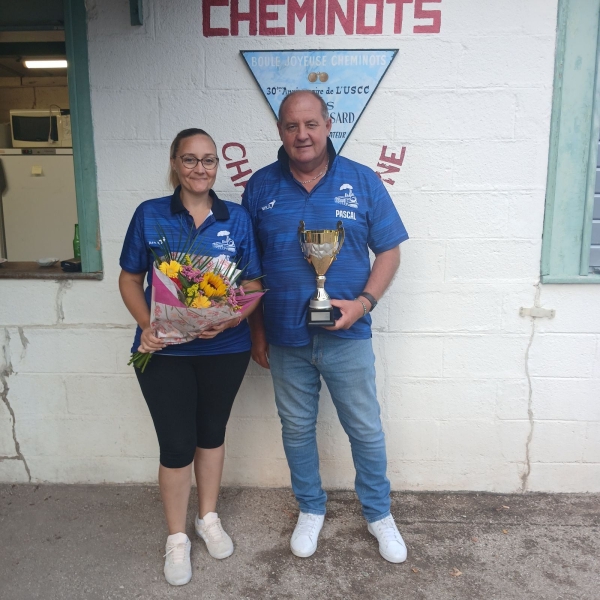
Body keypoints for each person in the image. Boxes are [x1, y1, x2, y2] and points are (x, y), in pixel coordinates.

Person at [242, 91, 409, 563]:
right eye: (292, 126)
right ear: (280, 131)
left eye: (311, 124)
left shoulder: (362, 180)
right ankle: (311, 509)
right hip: (284, 338)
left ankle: (379, 514)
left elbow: (390, 251)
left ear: (328, 123)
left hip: (348, 336)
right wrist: (256, 332)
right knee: (295, 429)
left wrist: (363, 303)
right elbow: (249, 268)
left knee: (365, 429)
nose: (303, 135)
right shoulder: (259, 188)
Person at [119, 128, 262, 586]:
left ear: (217, 166)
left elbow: (254, 286)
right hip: (166, 352)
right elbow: (128, 279)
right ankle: (177, 538)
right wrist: (148, 325)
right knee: (177, 445)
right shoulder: (150, 215)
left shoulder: (236, 218)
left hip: (224, 350)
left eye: (208, 160)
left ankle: (208, 518)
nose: (200, 168)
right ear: (175, 164)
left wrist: (236, 318)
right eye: (190, 159)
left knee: (211, 435)